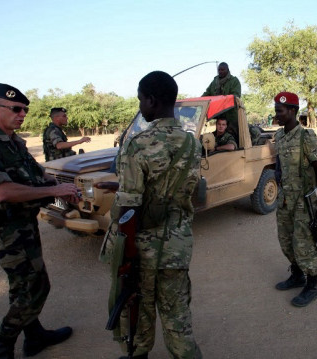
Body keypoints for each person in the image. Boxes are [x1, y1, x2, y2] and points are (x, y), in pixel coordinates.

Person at [0, 83, 79, 359]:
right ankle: (2, 347)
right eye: (16, 108)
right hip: (5, 229)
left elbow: (36, 174)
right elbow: (2, 192)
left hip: (24, 224)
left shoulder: (12, 142)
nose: (22, 114)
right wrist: (53, 191)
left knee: (24, 285)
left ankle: (34, 335)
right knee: (34, 287)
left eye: (24, 109)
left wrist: (62, 187)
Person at [108, 71, 202, 359]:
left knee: (139, 311)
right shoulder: (191, 143)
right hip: (177, 244)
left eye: (140, 100)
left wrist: (126, 254)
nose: (140, 107)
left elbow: (129, 208)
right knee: (177, 317)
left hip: (143, 248)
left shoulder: (138, 143)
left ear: (151, 100)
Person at [273, 91, 317, 307]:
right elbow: (278, 161)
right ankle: (297, 275)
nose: (277, 114)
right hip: (285, 199)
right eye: (276, 110)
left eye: (280, 111)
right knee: (286, 240)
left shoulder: (306, 136)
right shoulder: (279, 135)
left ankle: (312, 286)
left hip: (304, 201)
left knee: (304, 243)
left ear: (293, 111)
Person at [202, 62, 241, 132]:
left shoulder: (234, 81)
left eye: (223, 70)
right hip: (219, 114)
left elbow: (236, 96)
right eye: (219, 70)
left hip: (231, 115)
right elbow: (207, 93)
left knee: (232, 134)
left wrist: (224, 99)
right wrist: (200, 100)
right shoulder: (215, 81)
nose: (220, 71)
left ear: (227, 70)